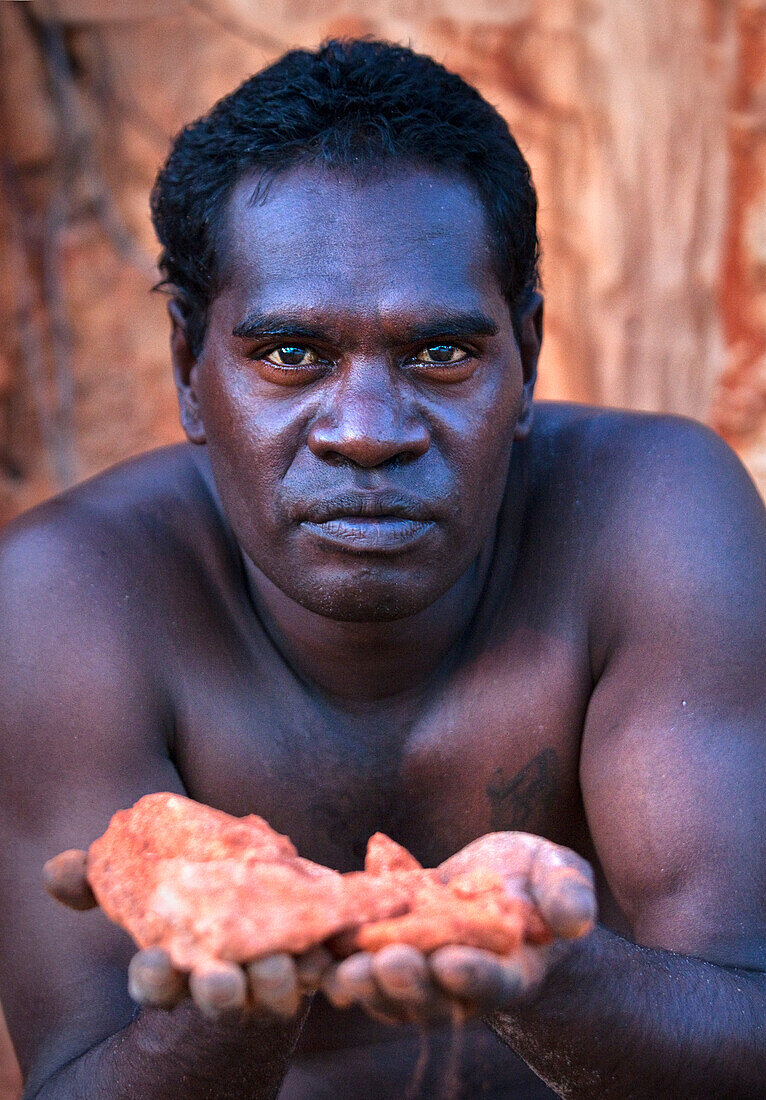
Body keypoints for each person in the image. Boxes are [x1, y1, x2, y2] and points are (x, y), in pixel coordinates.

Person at [0, 38, 764, 1100]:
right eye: (291, 356)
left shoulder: (651, 512)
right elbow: (68, 1081)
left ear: (527, 353)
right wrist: (233, 999)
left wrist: (538, 966)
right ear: (188, 365)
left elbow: (750, 1019)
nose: (367, 431)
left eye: (439, 354)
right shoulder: (65, 597)